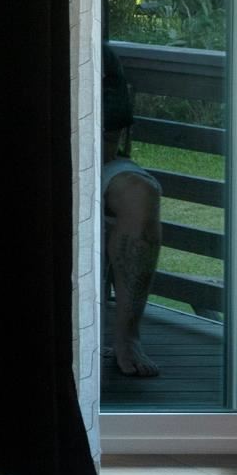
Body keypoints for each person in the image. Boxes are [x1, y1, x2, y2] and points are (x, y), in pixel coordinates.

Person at [103, 68, 166, 380]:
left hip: (98, 160)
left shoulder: (96, 48)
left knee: (140, 194)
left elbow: (114, 126)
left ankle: (127, 337)